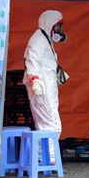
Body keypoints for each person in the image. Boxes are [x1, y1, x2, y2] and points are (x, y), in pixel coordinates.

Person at [23, 10, 68, 159]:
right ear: (50, 24)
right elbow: (32, 60)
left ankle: (43, 158)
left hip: (46, 88)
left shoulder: (45, 39)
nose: (60, 31)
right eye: (58, 26)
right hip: (41, 88)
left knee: (46, 124)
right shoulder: (38, 40)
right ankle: (50, 159)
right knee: (51, 124)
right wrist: (34, 80)